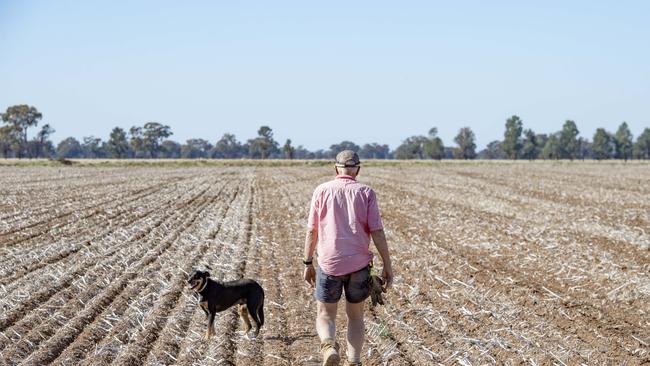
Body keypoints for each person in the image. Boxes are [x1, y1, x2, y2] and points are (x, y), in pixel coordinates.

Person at [303, 150, 394, 366]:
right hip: (359, 266)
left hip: (329, 264)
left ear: (336, 169)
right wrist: (388, 266)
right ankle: (354, 361)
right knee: (355, 317)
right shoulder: (366, 192)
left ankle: (329, 346)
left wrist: (307, 263)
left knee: (325, 314)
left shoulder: (321, 191)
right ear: (358, 170)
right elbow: (377, 232)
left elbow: (311, 231)